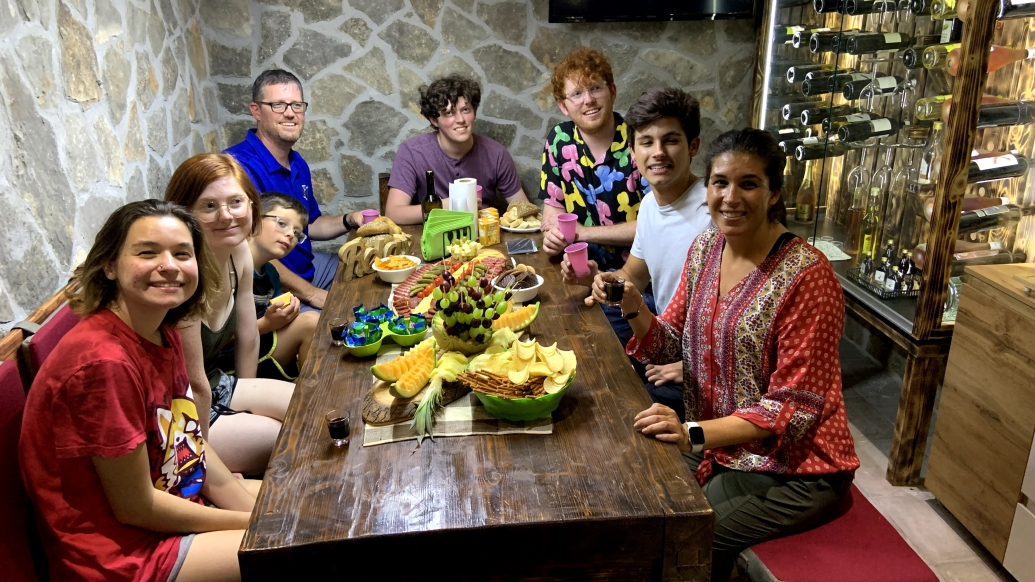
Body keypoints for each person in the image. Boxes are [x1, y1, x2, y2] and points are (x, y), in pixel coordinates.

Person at [613, 129, 860, 582]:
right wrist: (632, 304)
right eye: (720, 182)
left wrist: (692, 432)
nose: (730, 197)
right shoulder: (707, 248)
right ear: (706, 189)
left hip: (796, 468)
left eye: (748, 184)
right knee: (639, 493)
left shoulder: (809, 277)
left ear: (774, 194)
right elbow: (669, 340)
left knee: (685, 534)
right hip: (723, 445)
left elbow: (792, 408)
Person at [20, 200, 255, 582]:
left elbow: (188, 441)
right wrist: (251, 523)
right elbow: (136, 508)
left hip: (174, 500)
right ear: (110, 266)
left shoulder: (162, 326)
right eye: (148, 252)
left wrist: (251, 513)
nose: (170, 265)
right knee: (301, 554)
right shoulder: (103, 363)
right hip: (122, 553)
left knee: (306, 509)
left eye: (183, 253)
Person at [564, 87, 713, 421]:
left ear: (693, 146)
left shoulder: (713, 212)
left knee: (619, 403)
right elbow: (633, 276)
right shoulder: (649, 206)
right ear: (633, 152)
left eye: (670, 140)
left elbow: (742, 319)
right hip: (663, 336)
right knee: (585, 347)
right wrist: (595, 279)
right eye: (647, 142)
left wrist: (693, 367)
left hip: (703, 361)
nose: (657, 152)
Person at [166, 153, 295, 476]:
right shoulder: (185, 273)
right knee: (286, 440)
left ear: (251, 205)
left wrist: (247, 398)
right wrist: (204, 469)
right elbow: (193, 385)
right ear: (183, 213)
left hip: (219, 384)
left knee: (309, 408)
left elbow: (249, 337)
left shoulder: (239, 254)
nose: (226, 216)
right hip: (179, 413)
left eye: (236, 202)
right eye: (209, 206)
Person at [225, 68, 368, 311]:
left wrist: (350, 219)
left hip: (308, 269)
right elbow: (247, 252)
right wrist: (313, 295)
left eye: (297, 105)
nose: (290, 114)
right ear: (256, 111)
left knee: (367, 270)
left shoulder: (297, 162)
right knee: (336, 323)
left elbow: (310, 225)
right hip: (275, 290)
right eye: (278, 105)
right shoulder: (238, 168)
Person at [539, 47, 648, 271]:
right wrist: (553, 237)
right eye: (577, 94)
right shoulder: (559, 140)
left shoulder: (641, 140)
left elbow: (655, 226)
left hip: (640, 275)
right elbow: (553, 213)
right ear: (563, 106)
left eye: (596, 88)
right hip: (580, 270)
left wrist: (584, 233)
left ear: (613, 92)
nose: (588, 100)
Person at [385, 74, 531, 225]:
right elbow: (393, 213)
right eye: (449, 113)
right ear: (434, 120)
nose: (460, 119)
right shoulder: (412, 152)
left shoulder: (496, 153)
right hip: (433, 239)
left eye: (466, 109)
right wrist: (449, 205)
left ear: (474, 112)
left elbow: (524, 209)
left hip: (483, 240)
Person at [246, 192, 319, 380]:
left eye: (297, 233)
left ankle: (308, 387)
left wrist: (286, 315)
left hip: (261, 346)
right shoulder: (232, 268)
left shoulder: (271, 273)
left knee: (313, 321)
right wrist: (267, 324)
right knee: (310, 321)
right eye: (281, 223)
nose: (290, 235)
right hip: (230, 364)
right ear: (255, 218)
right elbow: (217, 341)